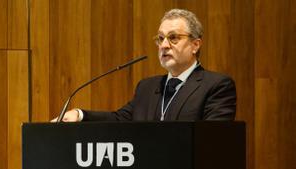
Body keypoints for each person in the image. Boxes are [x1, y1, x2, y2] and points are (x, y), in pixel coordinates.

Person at [52, 9, 236, 122]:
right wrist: (80, 115)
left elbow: (213, 140)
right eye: (161, 38)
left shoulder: (216, 86)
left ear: (195, 45)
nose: (164, 45)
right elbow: (120, 119)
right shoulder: (147, 87)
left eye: (173, 38)